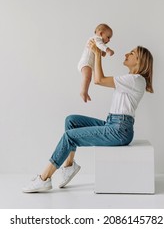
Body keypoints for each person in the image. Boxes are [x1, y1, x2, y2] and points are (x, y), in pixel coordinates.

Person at [23, 42, 154, 193]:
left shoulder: (136, 79)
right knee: (71, 120)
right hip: (112, 123)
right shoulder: (130, 79)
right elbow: (99, 80)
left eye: (131, 53)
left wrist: (97, 54)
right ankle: (69, 166)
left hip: (119, 130)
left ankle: (44, 178)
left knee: (69, 137)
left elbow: (99, 80)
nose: (126, 54)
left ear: (139, 60)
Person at [78, 23, 114, 102]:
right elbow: (100, 45)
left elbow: (100, 50)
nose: (109, 40)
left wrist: (103, 52)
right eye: (108, 37)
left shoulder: (97, 42)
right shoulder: (96, 38)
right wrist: (108, 50)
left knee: (89, 78)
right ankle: (83, 91)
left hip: (89, 63)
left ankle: (85, 92)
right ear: (101, 34)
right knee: (87, 77)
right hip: (86, 62)